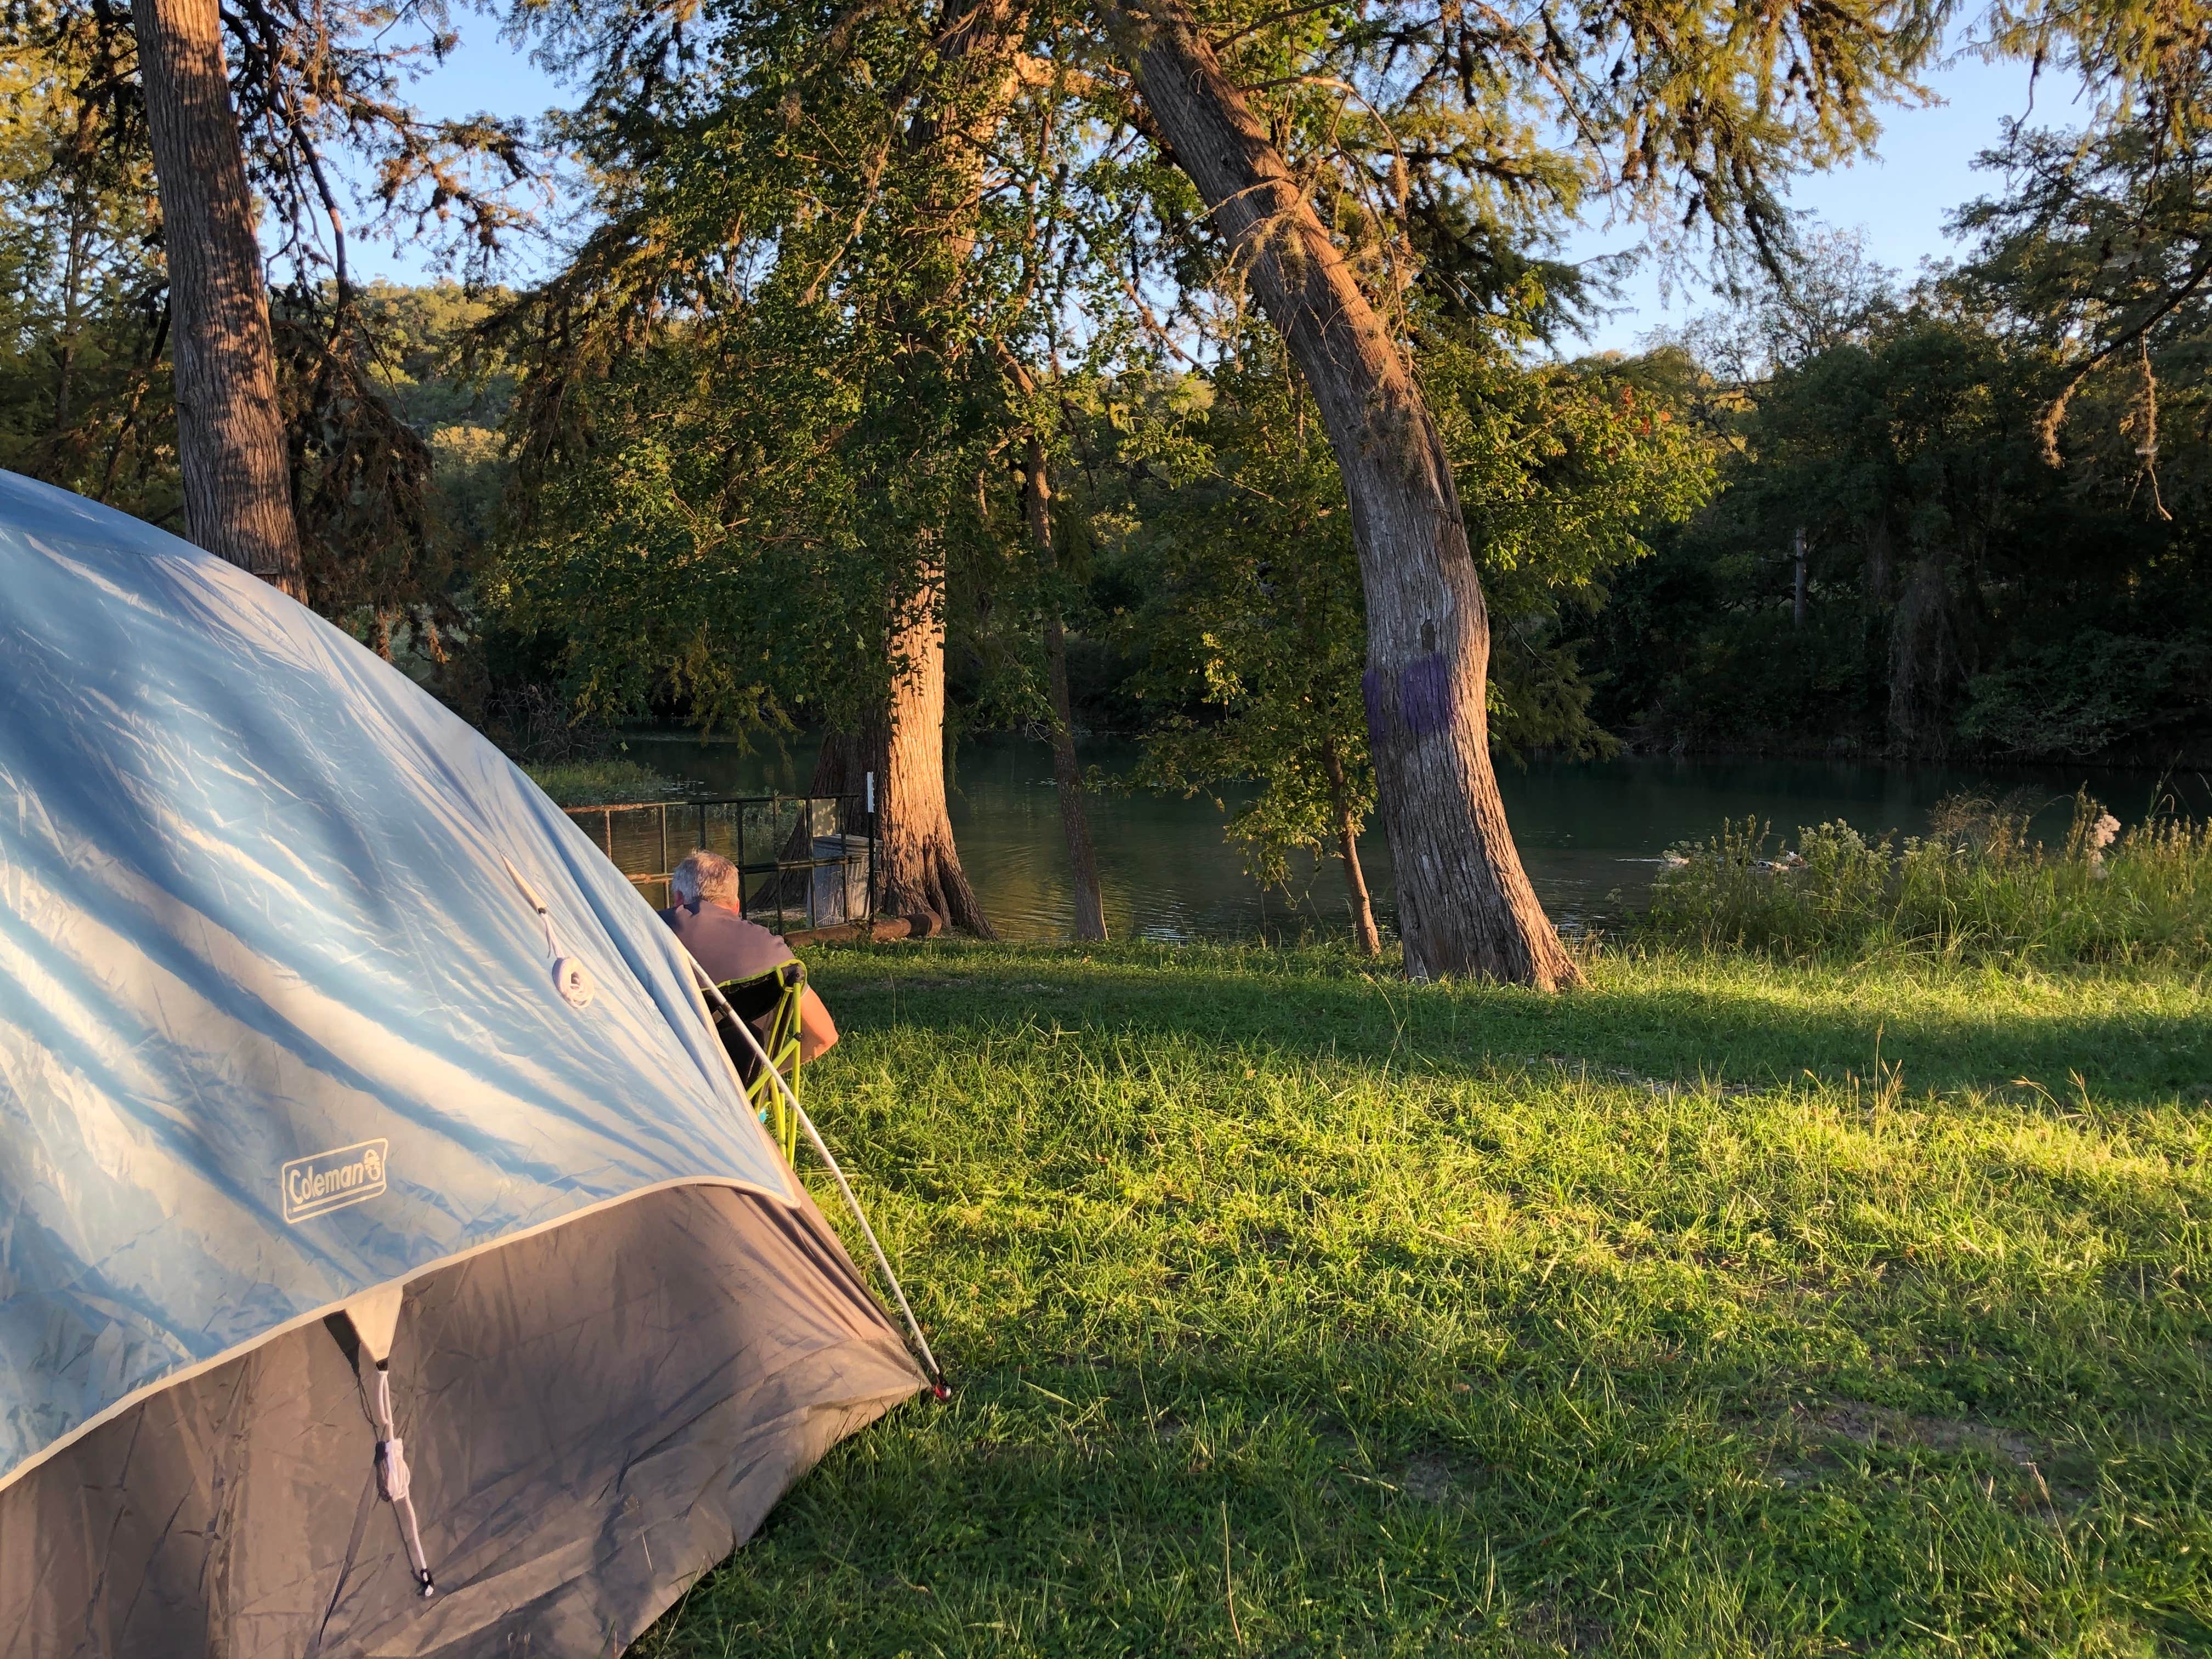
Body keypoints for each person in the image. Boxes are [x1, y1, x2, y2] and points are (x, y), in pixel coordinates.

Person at [659, 849, 839, 1060]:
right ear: (736, 906)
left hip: (665, 1081)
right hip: (747, 1084)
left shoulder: (650, 933)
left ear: (679, 899)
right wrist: (769, 1073)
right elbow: (824, 1037)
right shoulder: (774, 952)